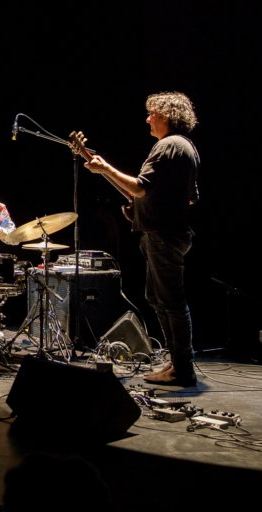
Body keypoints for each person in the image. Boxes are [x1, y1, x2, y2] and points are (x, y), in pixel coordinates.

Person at [82, 91, 200, 387]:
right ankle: (177, 362)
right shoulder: (186, 147)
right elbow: (186, 199)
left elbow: (141, 187)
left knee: (171, 302)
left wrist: (104, 168)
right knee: (158, 299)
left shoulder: (167, 145)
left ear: (167, 115)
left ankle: (182, 368)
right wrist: (139, 208)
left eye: (153, 114)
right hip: (167, 233)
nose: (148, 119)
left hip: (163, 235)